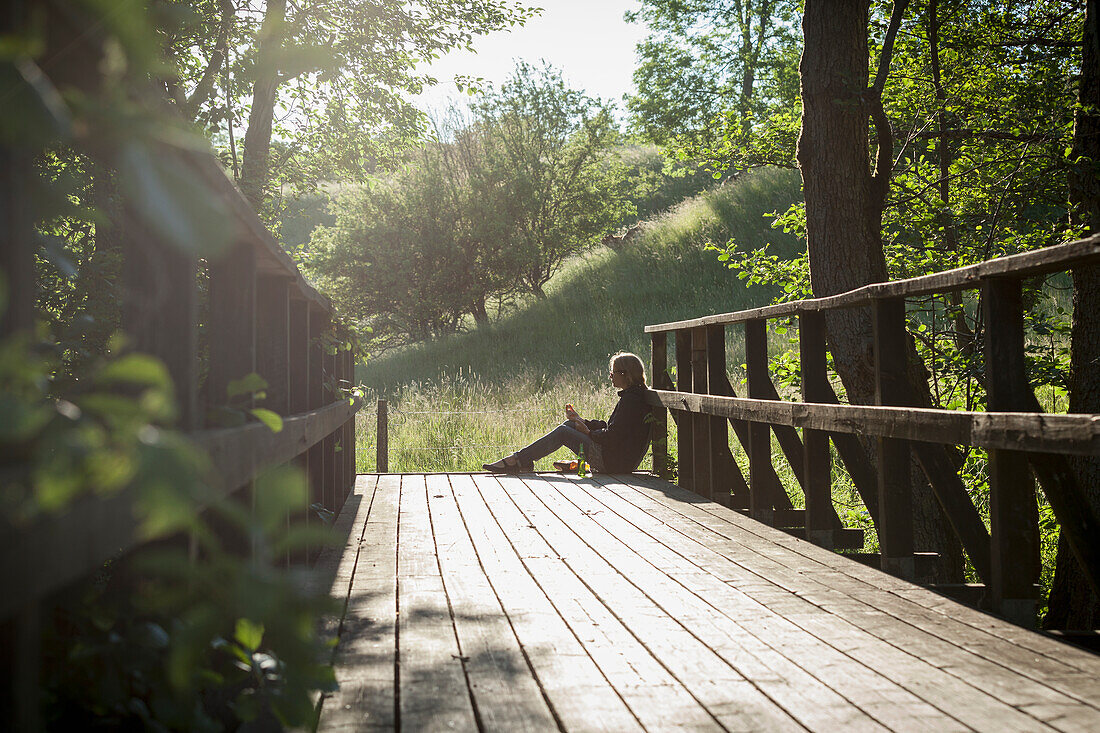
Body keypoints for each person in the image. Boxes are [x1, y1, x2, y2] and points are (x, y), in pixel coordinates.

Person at [482, 352, 653, 474]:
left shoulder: (632, 401)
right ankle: (522, 460)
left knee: (564, 432)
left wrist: (588, 432)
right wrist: (581, 420)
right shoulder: (632, 396)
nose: (610, 376)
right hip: (617, 458)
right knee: (569, 424)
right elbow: (613, 428)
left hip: (614, 463)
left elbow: (613, 436)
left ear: (625, 374)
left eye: (613, 372)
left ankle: (518, 460)